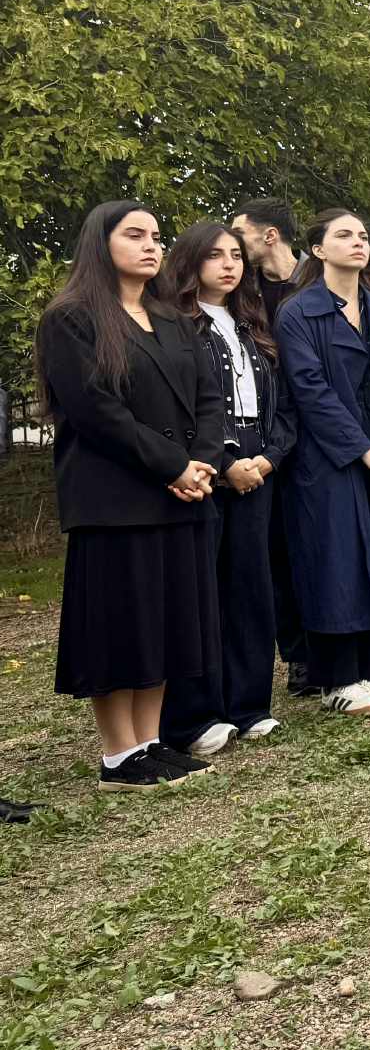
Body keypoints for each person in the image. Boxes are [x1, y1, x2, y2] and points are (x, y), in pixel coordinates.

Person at [35, 202, 224, 789]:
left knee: (164, 622)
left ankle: (150, 740)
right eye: (135, 235)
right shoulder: (71, 320)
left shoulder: (171, 318)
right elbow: (97, 413)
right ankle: (118, 753)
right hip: (115, 498)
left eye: (156, 236)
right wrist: (171, 465)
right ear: (100, 243)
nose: (151, 246)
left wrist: (203, 465)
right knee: (122, 623)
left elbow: (208, 399)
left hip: (180, 495)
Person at [273, 209, 370, 714]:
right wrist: (365, 452)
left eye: (362, 236)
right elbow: (311, 392)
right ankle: (338, 680)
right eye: (344, 235)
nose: (358, 243)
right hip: (331, 461)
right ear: (317, 249)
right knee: (337, 563)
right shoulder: (299, 314)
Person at [159, 223, 296, 757]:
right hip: (205, 470)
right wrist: (226, 462)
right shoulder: (175, 325)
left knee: (250, 585)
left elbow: (281, 404)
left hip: (259, 466)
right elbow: (182, 408)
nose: (228, 265)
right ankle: (196, 714)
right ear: (190, 262)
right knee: (202, 591)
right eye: (214, 255)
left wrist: (267, 457)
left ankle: (249, 703)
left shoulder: (251, 326)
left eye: (235, 255)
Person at [229, 196, 314, 694]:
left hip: (319, 427)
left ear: (268, 236)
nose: (231, 247)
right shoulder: (244, 290)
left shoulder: (317, 278)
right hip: (268, 434)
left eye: (239, 234)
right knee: (277, 550)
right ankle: (298, 655)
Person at [227, 198, 302, 325]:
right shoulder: (240, 287)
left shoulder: (324, 279)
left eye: (238, 233)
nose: (231, 242)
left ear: (269, 236)